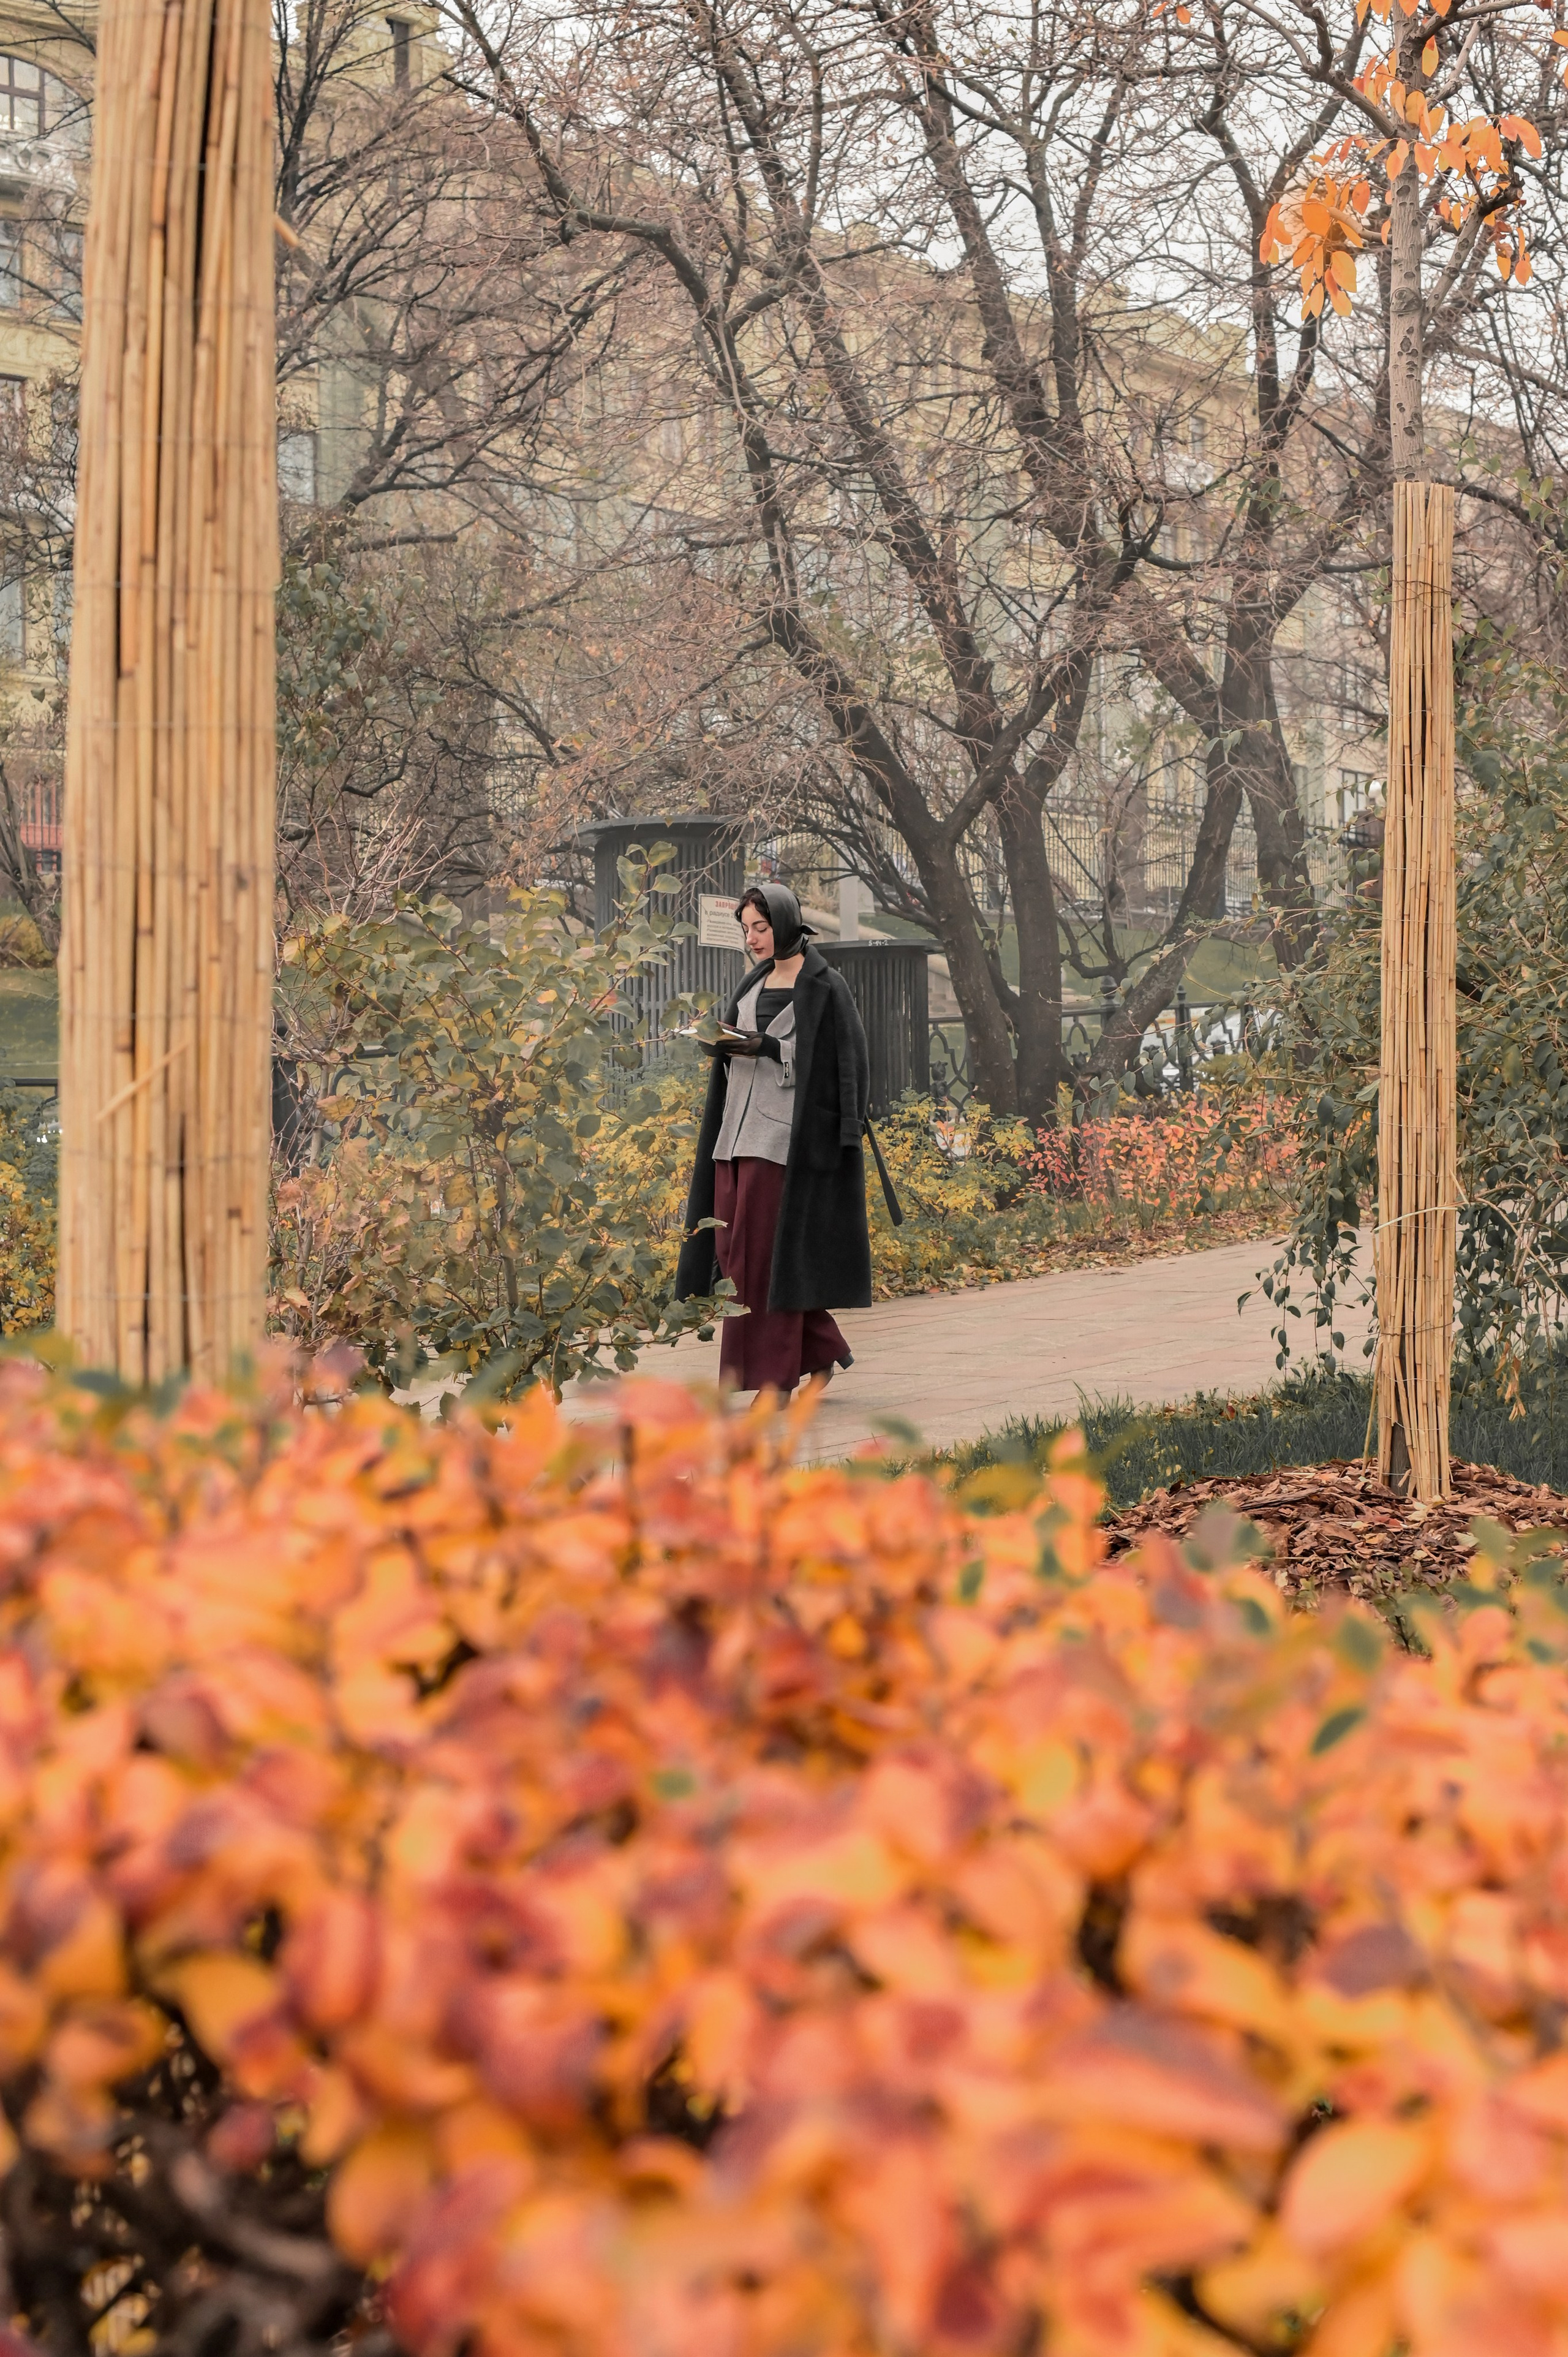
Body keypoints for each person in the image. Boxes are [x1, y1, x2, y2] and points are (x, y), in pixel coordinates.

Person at [675, 882, 872, 1394]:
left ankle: (773, 1380)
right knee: (736, 1256)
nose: (752, 938)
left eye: (760, 928)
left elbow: (842, 1064)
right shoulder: (752, 982)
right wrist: (720, 1041)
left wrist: (771, 1049)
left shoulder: (826, 985)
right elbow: (740, 1048)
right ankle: (823, 1351)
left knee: (762, 1259)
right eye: (746, 930)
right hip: (732, 1136)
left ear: (784, 921)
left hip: (782, 1140)